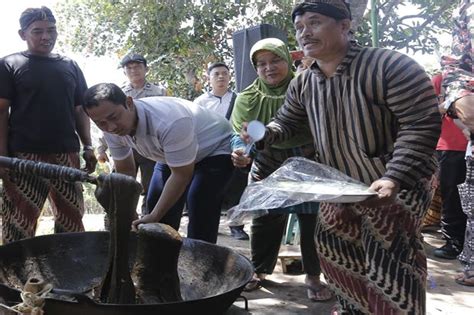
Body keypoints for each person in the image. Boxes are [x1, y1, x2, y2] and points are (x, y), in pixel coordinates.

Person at [239, 1, 441, 313]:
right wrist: (265, 134)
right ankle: (354, 309)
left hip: (400, 182)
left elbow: (421, 124)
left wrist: (393, 177)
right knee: (333, 248)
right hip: (342, 184)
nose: (305, 33)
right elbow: (286, 122)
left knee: (390, 260)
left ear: (345, 25)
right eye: (299, 27)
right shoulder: (304, 82)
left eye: (315, 22)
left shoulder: (390, 66)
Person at [231, 38, 332, 301]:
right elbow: (239, 134)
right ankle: (259, 270)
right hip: (266, 160)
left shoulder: (308, 86)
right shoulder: (247, 98)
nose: (269, 68)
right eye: (261, 64)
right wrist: (241, 153)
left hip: (307, 158)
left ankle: (313, 275)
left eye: (275, 60)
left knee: (311, 219)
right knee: (264, 217)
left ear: (287, 60)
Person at [83, 83, 233, 244]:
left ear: (129, 103)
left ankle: (202, 262)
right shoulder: (109, 129)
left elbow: (181, 175)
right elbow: (125, 172)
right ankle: (160, 263)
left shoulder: (169, 121)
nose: (110, 127)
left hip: (214, 148)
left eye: (114, 117)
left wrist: (154, 216)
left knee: (200, 203)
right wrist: (130, 211)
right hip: (169, 156)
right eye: (101, 123)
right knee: (155, 206)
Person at [0, 6, 97, 244]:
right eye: (38, 31)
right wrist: (2, 156)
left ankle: (70, 273)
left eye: (51, 30)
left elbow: (80, 109)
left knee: (72, 220)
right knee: (18, 221)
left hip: (67, 153)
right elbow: (1, 112)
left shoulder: (70, 65)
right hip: (23, 156)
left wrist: (88, 147)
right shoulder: (9, 64)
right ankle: (13, 276)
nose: (46, 36)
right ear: (23, 34)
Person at [96, 53, 167, 216]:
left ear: (146, 69)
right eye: (129, 67)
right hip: (125, 145)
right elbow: (107, 122)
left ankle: (148, 220)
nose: (134, 70)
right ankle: (119, 218)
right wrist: (101, 148)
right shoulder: (116, 94)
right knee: (120, 184)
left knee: (152, 187)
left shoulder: (159, 92)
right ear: (124, 72)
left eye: (137, 66)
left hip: (152, 147)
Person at [194, 62, 249, 240]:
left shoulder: (240, 98)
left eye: (224, 73)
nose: (221, 77)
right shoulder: (200, 102)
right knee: (210, 190)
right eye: (216, 73)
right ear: (208, 79)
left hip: (235, 150)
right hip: (209, 153)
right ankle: (211, 224)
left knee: (237, 189)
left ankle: (237, 226)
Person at [440, 0, 473, 287]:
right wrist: (459, 100)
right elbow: (456, 67)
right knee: (464, 204)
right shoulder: (465, 8)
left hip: (457, 145)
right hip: (455, 145)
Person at [431, 73, 468, 259]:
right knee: (452, 196)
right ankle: (454, 241)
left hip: (465, 145)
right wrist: (448, 106)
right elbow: (428, 111)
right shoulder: (444, 78)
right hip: (452, 146)